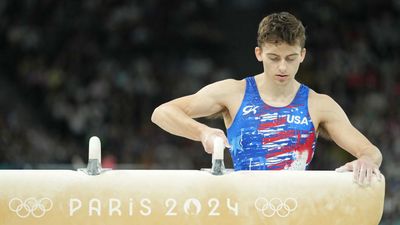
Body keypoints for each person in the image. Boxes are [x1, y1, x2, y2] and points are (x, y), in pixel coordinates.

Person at [151, 12, 382, 185]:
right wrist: (203, 132)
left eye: (291, 58)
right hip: (245, 207)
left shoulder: (319, 105)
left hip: (294, 209)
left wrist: (367, 160)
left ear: (302, 55)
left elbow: (371, 151)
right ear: (259, 53)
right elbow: (161, 113)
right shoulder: (233, 93)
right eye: (273, 57)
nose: (282, 67)